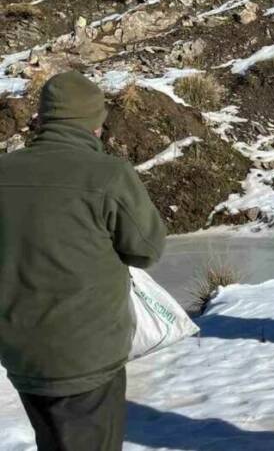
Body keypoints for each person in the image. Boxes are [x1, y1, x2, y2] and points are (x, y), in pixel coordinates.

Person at [0, 71, 168, 451]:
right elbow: (148, 249)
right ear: (95, 125)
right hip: (87, 356)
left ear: (43, 119)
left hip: (21, 351)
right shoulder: (108, 175)